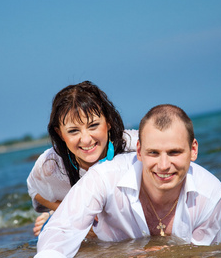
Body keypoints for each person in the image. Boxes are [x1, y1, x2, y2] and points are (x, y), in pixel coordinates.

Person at [30, 104, 221, 258]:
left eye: (174, 152)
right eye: (153, 153)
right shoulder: (103, 176)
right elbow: (60, 232)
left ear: (193, 150)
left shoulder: (211, 194)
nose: (164, 166)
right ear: (139, 151)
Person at [27, 81, 138, 236]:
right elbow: (35, 191)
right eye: (73, 131)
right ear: (60, 134)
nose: (86, 140)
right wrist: (68, 212)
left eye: (93, 126)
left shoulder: (136, 147)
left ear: (109, 122)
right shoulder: (50, 164)